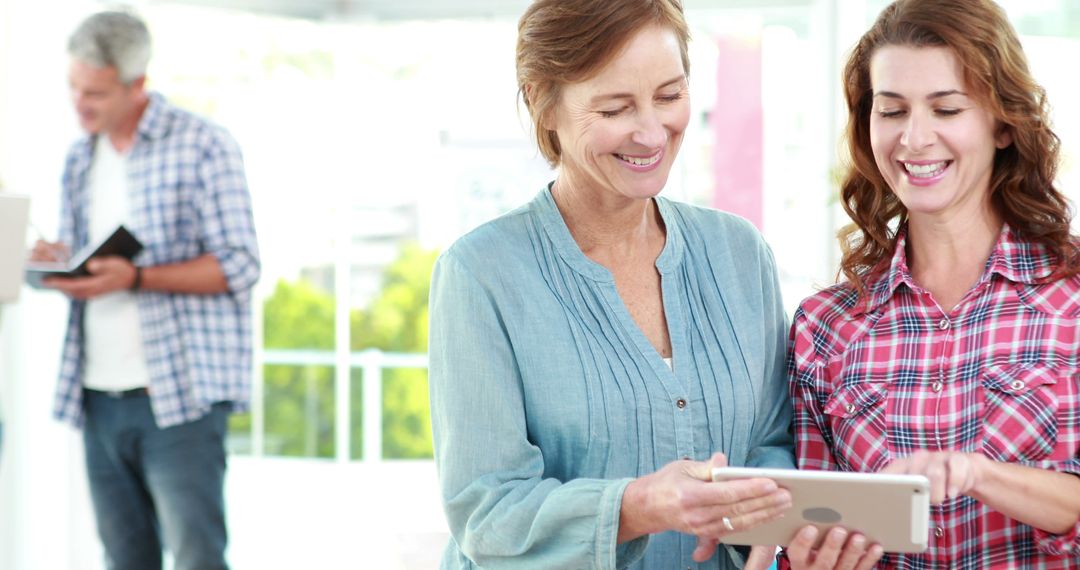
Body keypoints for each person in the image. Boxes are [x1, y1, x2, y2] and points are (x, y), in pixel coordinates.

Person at [428, 1, 881, 568]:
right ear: (542, 103)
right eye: (615, 108)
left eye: (669, 96)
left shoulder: (739, 252)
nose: (650, 133)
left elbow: (773, 442)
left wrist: (774, 520)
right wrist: (639, 507)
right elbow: (487, 514)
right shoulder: (480, 274)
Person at [788, 0, 1080, 568]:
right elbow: (811, 527)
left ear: (1003, 124)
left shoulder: (1069, 298)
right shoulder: (824, 327)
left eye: (946, 109)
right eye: (892, 110)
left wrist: (976, 474)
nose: (914, 138)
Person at [29, 11, 259, 570]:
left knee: (198, 556)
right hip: (96, 395)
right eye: (73, 88)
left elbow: (239, 264)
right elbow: (87, 257)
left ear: (137, 85)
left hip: (178, 398)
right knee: (123, 558)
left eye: (95, 93)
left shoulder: (204, 145)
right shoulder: (79, 156)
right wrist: (60, 260)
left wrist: (136, 277)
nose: (79, 104)